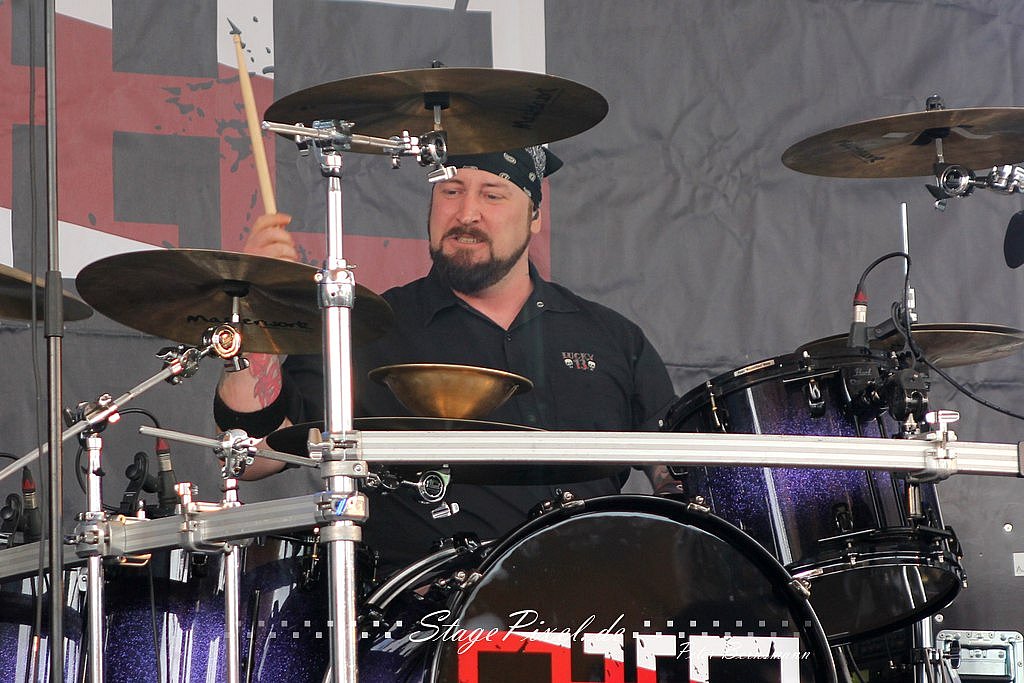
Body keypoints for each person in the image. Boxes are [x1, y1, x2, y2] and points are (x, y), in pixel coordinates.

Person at [214, 147, 676, 575]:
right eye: (451, 191)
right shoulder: (364, 330)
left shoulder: (611, 338)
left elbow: (678, 476)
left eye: (492, 194)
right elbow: (251, 457)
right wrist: (254, 314)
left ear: (535, 215)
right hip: (422, 615)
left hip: (598, 612)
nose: (467, 213)